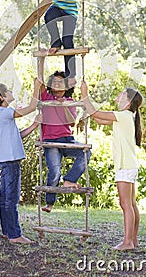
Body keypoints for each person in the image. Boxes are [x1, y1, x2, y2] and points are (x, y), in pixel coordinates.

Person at [81, 81, 143, 250]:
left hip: (125, 166)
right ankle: (133, 240)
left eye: (122, 94)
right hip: (129, 165)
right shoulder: (125, 117)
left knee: (126, 204)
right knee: (131, 203)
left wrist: (85, 94)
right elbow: (98, 119)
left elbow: (94, 111)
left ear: (129, 101)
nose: (119, 96)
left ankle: (128, 242)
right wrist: (87, 104)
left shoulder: (122, 115)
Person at [0, 79, 41, 244]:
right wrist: (36, 88)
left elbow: (19, 136)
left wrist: (34, 125)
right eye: (8, 91)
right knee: (12, 198)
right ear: (2, 97)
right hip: (10, 161)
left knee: (5, 198)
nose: (11, 92)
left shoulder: (0, 116)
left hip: (7, 161)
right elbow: (31, 108)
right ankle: (15, 235)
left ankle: (7, 231)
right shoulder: (3, 112)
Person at [40, 71, 91, 213]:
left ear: (66, 86)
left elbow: (72, 122)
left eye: (60, 82)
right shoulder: (46, 98)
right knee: (54, 171)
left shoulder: (70, 101)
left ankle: (69, 179)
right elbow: (39, 80)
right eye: (54, 82)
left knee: (86, 153)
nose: (57, 84)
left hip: (66, 138)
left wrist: (63, 106)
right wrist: (42, 59)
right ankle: (50, 203)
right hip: (50, 140)